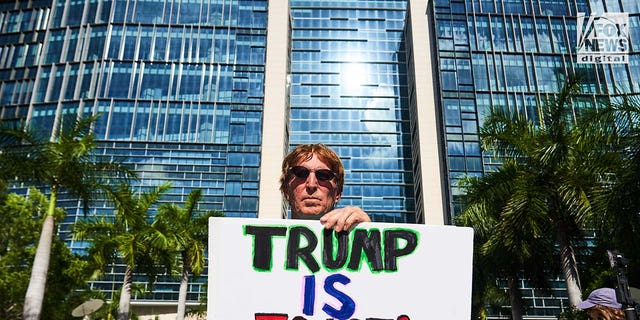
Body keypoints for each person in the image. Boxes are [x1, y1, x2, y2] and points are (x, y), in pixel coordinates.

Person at [279, 143, 371, 232]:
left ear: (338, 192)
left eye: (324, 175)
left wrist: (369, 237)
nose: (311, 185)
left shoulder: (359, 235)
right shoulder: (264, 244)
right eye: (300, 173)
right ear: (286, 190)